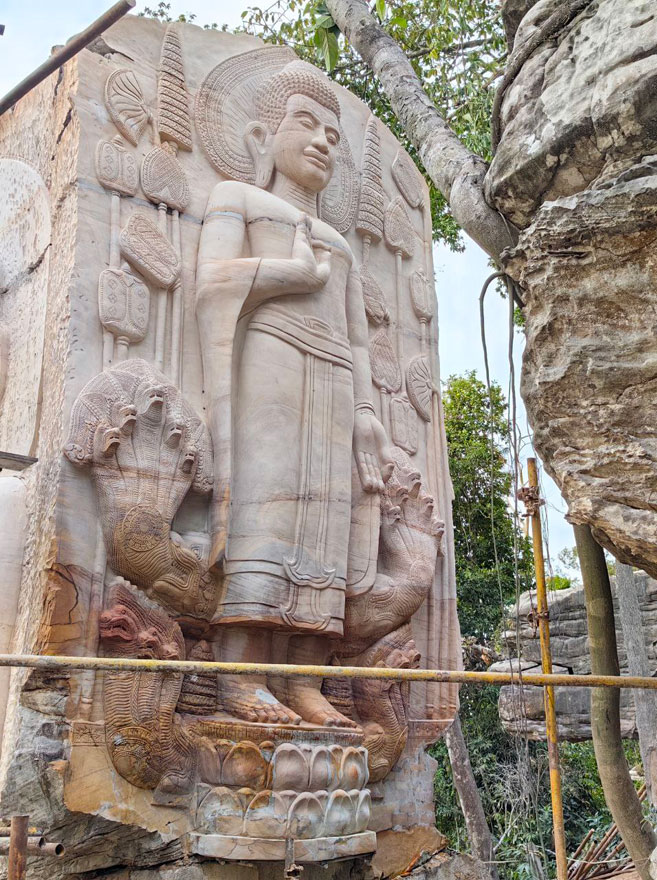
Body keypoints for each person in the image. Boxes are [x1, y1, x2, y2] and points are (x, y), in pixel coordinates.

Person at [196, 61, 392, 727]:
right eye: (305, 124)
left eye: (333, 136)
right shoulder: (238, 198)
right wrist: (290, 273)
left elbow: (359, 340)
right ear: (262, 135)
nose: (322, 143)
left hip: (335, 378)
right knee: (269, 511)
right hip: (271, 359)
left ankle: (305, 680)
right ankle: (242, 676)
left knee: (325, 521)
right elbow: (211, 279)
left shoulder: (341, 243)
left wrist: (366, 412)